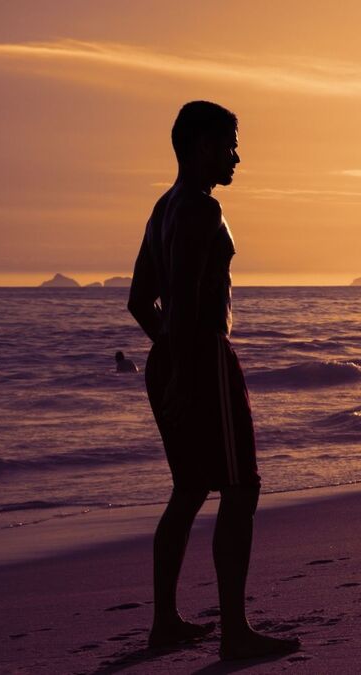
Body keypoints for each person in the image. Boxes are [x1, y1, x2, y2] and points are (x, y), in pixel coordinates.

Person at [128, 101, 300, 660]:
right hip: (201, 361)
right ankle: (235, 634)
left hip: (173, 362)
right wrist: (186, 367)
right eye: (229, 144)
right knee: (241, 488)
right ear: (201, 145)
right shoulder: (202, 210)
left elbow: (140, 303)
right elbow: (179, 295)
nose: (237, 157)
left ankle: (165, 624)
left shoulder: (163, 207)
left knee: (189, 489)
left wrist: (168, 360)